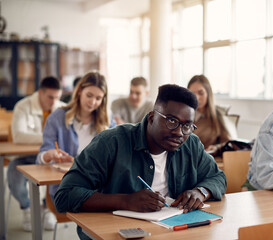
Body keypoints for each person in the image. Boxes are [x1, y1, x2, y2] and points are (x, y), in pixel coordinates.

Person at [54, 84, 226, 239]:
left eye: (187, 125)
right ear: (152, 117)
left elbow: (218, 178)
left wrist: (201, 191)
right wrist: (126, 201)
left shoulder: (191, 144)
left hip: (168, 231)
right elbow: (65, 195)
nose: (180, 133)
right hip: (113, 233)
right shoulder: (111, 142)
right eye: (172, 121)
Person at [36, 71, 112, 202]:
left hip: (99, 187)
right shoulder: (56, 118)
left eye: (98, 98)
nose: (93, 102)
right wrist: (49, 155)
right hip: (67, 188)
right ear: (79, 91)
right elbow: (40, 158)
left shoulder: (107, 121)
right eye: (89, 95)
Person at [7, 76, 65, 231]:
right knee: (14, 177)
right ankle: (27, 207)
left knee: (62, 176)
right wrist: (49, 138)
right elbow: (19, 135)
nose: (54, 102)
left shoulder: (63, 108)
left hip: (53, 159)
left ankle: (48, 209)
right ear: (40, 92)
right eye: (50, 97)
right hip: (26, 157)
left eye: (58, 98)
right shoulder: (22, 106)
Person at [187, 75, 231, 156]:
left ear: (208, 94)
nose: (196, 97)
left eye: (201, 93)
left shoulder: (217, 115)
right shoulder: (183, 115)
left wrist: (216, 148)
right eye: (192, 93)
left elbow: (228, 143)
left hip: (207, 160)